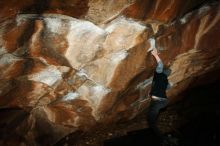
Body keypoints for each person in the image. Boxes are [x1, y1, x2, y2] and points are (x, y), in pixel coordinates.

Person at [147, 48, 171, 137]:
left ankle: (163, 139)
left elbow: (160, 64)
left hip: (159, 101)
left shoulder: (159, 74)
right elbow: (169, 87)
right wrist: (153, 91)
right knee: (150, 118)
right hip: (161, 101)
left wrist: (155, 54)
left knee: (151, 121)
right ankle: (162, 137)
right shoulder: (165, 80)